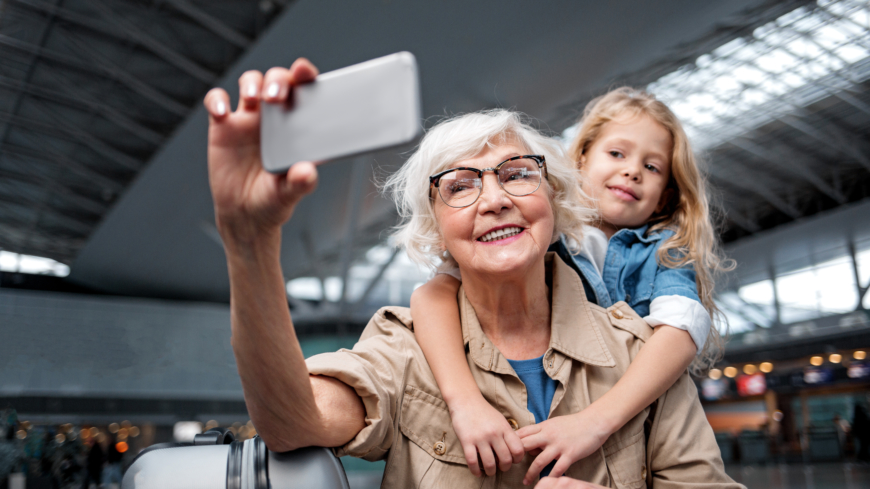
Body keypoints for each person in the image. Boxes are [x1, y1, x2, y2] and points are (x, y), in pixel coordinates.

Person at [204, 58, 742, 488]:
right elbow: (296, 422)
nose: (495, 199)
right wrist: (250, 248)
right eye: (459, 185)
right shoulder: (406, 349)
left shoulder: (641, 352)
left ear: (556, 204)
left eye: (516, 174)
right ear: (436, 232)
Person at [410, 87, 731, 481]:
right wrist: (464, 402)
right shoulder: (542, 232)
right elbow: (433, 292)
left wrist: (595, 422)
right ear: (579, 160)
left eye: (653, 167)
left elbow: (681, 329)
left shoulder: (667, 251)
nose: (632, 170)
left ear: (664, 198)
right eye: (617, 153)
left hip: (630, 417)